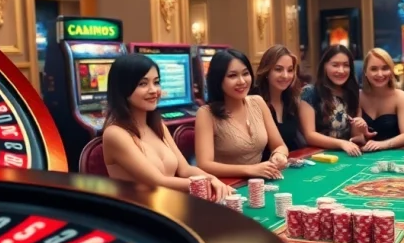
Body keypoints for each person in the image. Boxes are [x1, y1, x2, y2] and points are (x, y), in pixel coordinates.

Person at [102, 53, 231, 200]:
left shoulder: (158, 125)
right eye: (143, 84)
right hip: (140, 216)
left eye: (156, 82)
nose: (153, 90)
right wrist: (205, 183)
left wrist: (212, 178)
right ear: (123, 89)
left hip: (169, 205)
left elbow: (185, 169)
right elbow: (158, 182)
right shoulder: (115, 134)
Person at [195, 49, 289, 180]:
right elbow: (204, 165)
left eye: (245, 74)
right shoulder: (206, 114)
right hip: (226, 186)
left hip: (259, 181)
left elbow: (280, 145)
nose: (242, 81)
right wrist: (250, 170)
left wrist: (279, 155)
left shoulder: (258, 102)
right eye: (232, 76)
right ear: (218, 80)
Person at [299, 45, 367, 156]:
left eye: (346, 65)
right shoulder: (310, 93)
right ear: (324, 66)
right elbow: (309, 135)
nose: (341, 71)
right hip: (318, 156)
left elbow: (356, 138)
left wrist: (360, 127)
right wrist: (341, 143)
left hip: (346, 156)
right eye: (335, 65)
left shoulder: (353, 93)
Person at [358, 48, 404, 151]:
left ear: (391, 70)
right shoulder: (359, 96)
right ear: (365, 72)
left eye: (385, 68)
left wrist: (382, 145)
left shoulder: (400, 96)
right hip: (365, 153)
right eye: (374, 69)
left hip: (394, 154)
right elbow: (357, 135)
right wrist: (359, 133)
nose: (380, 74)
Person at [255, 44, 306, 151]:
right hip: (260, 166)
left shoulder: (292, 100)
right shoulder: (253, 101)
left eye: (290, 70)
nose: (285, 76)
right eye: (278, 69)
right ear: (266, 71)